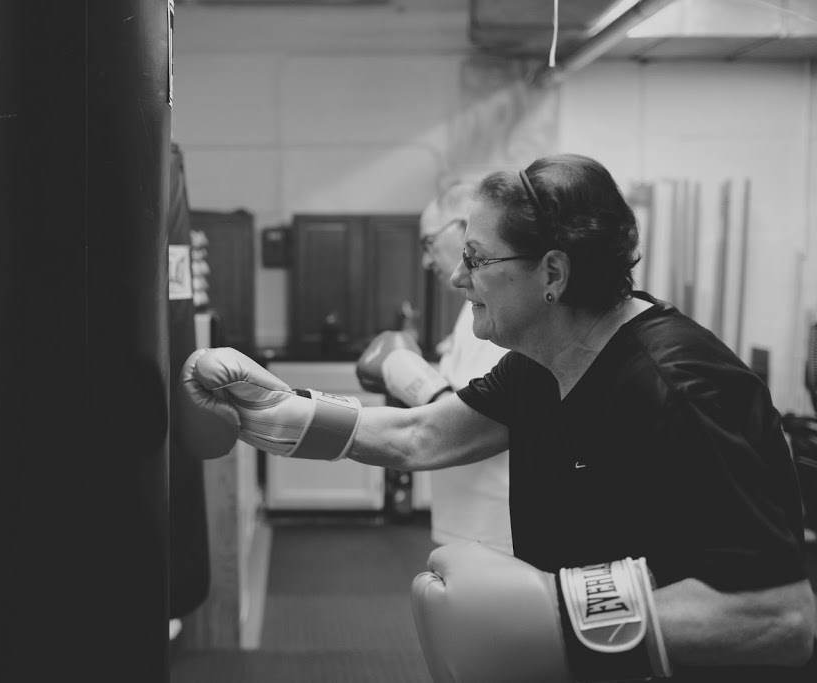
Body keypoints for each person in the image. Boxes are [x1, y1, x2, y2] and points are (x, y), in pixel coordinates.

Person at [176, 154, 817, 681]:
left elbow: (781, 618)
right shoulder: (544, 362)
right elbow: (421, 434)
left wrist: (554, 616)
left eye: (477, 259)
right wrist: (268, 411)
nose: (457, 276)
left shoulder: (683, 391)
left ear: (553, 275)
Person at [356, 180, 513, 554]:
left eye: (429, 242)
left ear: (465, 228)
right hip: (464, 512)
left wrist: (411, 375)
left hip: (494, 521)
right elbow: (472, 392)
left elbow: (483, 421)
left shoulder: (505, 310)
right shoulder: (472, 308)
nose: (426, 260)